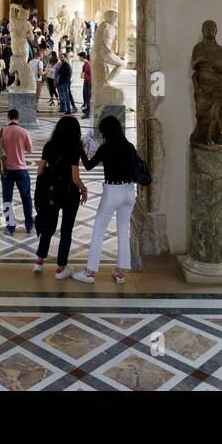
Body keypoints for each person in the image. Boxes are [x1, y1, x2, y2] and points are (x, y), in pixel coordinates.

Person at [74, 113, 140, 284]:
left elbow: (88, 166)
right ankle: (120, 273)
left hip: (112, 191)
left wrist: (81, 150)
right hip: (129, 191)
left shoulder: (106, 148)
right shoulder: (129, 146)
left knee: (98, 231)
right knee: (123, 231)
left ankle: (90, 273)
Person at [32, 114, 89, 278]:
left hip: (52, 191)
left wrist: (42, 185)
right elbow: (75, 178)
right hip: (69, 193)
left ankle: (39, 261)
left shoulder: (49, 145)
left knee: (48, 224)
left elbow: (40, 169)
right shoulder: (74, 148)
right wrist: (83, 189)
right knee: (66, 230)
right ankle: (61, 267)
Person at [0, 108, 34, 234]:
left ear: (8, 118)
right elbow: (30, 150)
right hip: (21, 169)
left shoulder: (2, 132)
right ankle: (29, 224)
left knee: (7, 199)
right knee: (26, 197)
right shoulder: (24, 132)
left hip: (6, 170)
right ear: (18, 118)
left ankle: (10, 226)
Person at [80, 51, 92, 118]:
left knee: (88, 97)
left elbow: (82, 76)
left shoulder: (86, 65)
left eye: (79, 57)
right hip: (89, 82)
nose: (79, 58)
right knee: (87, 97)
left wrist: (81, 74)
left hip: (88, 83)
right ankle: (88, 109)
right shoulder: (90, 64)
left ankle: (88, 113)